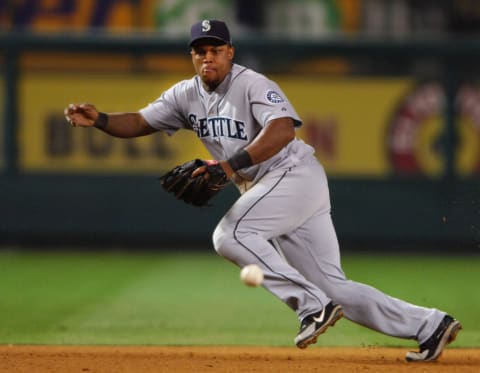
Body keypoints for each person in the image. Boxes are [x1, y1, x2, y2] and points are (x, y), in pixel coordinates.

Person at [64, 19, 461, 362]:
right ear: (192, 56)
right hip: (269, 188)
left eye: (215, 50)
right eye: (199, 51)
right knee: (334, 285)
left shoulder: (252, 83)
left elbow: (283, 129)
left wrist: (228, 165)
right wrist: (99, 119)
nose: (207, 57)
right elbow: (139, 122)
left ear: (230, 52)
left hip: (293, 175)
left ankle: (311, 307)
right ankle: (429, 324)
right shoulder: (185, 95)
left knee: (230, 235)